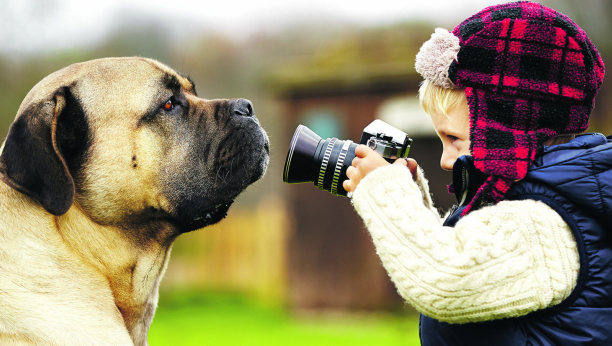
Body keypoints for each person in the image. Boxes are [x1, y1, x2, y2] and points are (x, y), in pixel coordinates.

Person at [342, 2, 610, 345]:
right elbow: (467, 258)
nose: (444, 160)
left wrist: (386, 193)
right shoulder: (545, 203)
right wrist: (416, 206)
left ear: (507, 128)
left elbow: (445, 280)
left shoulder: (544, 223)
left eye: (454, 138)